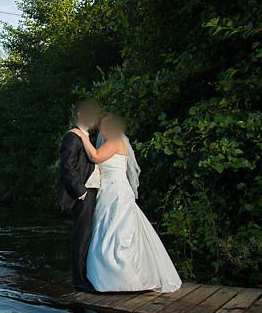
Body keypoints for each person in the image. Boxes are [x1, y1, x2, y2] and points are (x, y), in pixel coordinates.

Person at [69, 113, 181, 293]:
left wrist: (82, 136)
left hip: (117, 193)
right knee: (104, 233)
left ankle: (125, 279)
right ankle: (106, 277)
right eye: (103, 127)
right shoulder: (108, 143)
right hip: (107, 192)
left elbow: (96, 157)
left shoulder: (115, 142)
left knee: (119, 233)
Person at [58, 99, 102, 292]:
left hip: (90, 191)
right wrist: (81, 192)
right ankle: (79, 281)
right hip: (83, 193)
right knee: (81, 237)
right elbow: (67, 166)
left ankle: (84, 277)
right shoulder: (72, 136)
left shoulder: (84, 136)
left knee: (87, 236)